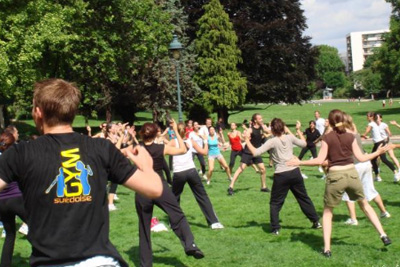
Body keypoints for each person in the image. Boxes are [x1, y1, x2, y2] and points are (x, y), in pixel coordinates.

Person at [0, 78, 162, 267]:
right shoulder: (102, 148)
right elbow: (155, 188)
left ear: (38, 112)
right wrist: (147, 166)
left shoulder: (21, 153)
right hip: (102, 262)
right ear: (72, 111)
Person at [287, 109, 392, 258]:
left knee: (328, 212)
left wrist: (300, 162)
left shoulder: (327, 138)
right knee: (365, 205)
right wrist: (378, 152)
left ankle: (327, 249)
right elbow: (362, 158)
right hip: (352, 174)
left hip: (336, 176)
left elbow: (319, 160)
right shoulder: (351, 136)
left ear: (328, 122)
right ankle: (383, 235)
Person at [137, 121, 204, 267]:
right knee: (177, 214)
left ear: (142, 134)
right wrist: (174, 130)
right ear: (156, 134)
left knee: (144, 228)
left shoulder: (137, 148)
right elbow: (182, 149)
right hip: (159, 186)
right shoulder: (161, 148)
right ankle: (190, 244)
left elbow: (117, 152)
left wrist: (125, 138)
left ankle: (145, 264)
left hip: (142, 188)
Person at [244, 119, 321, 235]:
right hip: (295, 172)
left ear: (273, 130)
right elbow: (304, 143)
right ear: (283, 128)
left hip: (281, 174)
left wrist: (246, 140)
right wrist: (298, 130)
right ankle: (316, 221)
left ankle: (275, 228)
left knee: (275, 203)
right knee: (303, 198)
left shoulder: (272, 141)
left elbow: (256, 152)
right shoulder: (289, 137)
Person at [341, 113, 391, 226]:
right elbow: (351, 125)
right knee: (370, 190)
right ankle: (384, 212)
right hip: (366, 164)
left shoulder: (344, 136)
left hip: (355, 165)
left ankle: (353, 219)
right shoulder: (355, 134)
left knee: (348, 193)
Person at [171, 123, 224, 229]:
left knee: (174, 198)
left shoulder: (172, 142)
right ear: (186, 131)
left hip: (179, 173)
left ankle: (174, 223)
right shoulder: (191, 141)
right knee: (202, 196)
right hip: (191, 171)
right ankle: (214, 222)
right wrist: (205, 140)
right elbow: (204, 152)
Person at [0, 132, 28, 267]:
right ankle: (45, 258)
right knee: (36, 228)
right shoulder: (14, 158)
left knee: (10, 235)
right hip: (16, 199)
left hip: (1, 202)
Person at [228, 113, 270, 195]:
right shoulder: (250, 130)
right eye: (260, 119)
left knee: (263, 169)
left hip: (257, 152)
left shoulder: (262, 127)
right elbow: (244, 138)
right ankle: (231, 187)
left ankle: (263, 187)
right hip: (247, 152)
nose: (261, 120)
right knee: (241, 169)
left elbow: (269, 132)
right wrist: (245, 136)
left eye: (261, 118)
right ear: (255, 120)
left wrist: (267, 128)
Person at [361, 112, 399, 182]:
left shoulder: (371, 124)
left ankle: (395, 172)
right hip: (378, 143)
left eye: (368, 116)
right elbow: (374, 134)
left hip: (379, 143)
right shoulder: (375, 124)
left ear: (371, 117)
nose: (367, 117)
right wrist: (366, 136)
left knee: (383, 159)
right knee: (373, 159)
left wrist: (362, 136)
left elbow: (367, 131)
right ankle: (377, 176)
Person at [375, 114, 400, 181]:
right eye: (375, 117)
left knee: (391, 156)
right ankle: (377, 172)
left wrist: (386, 140)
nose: (376, 119)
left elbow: (390, 134)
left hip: (386, 142)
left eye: (377, 117)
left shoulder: (384, 125)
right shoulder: (374, 125)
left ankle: (398, 170)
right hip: (379, 143)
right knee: (378, 158)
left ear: (381, 118)